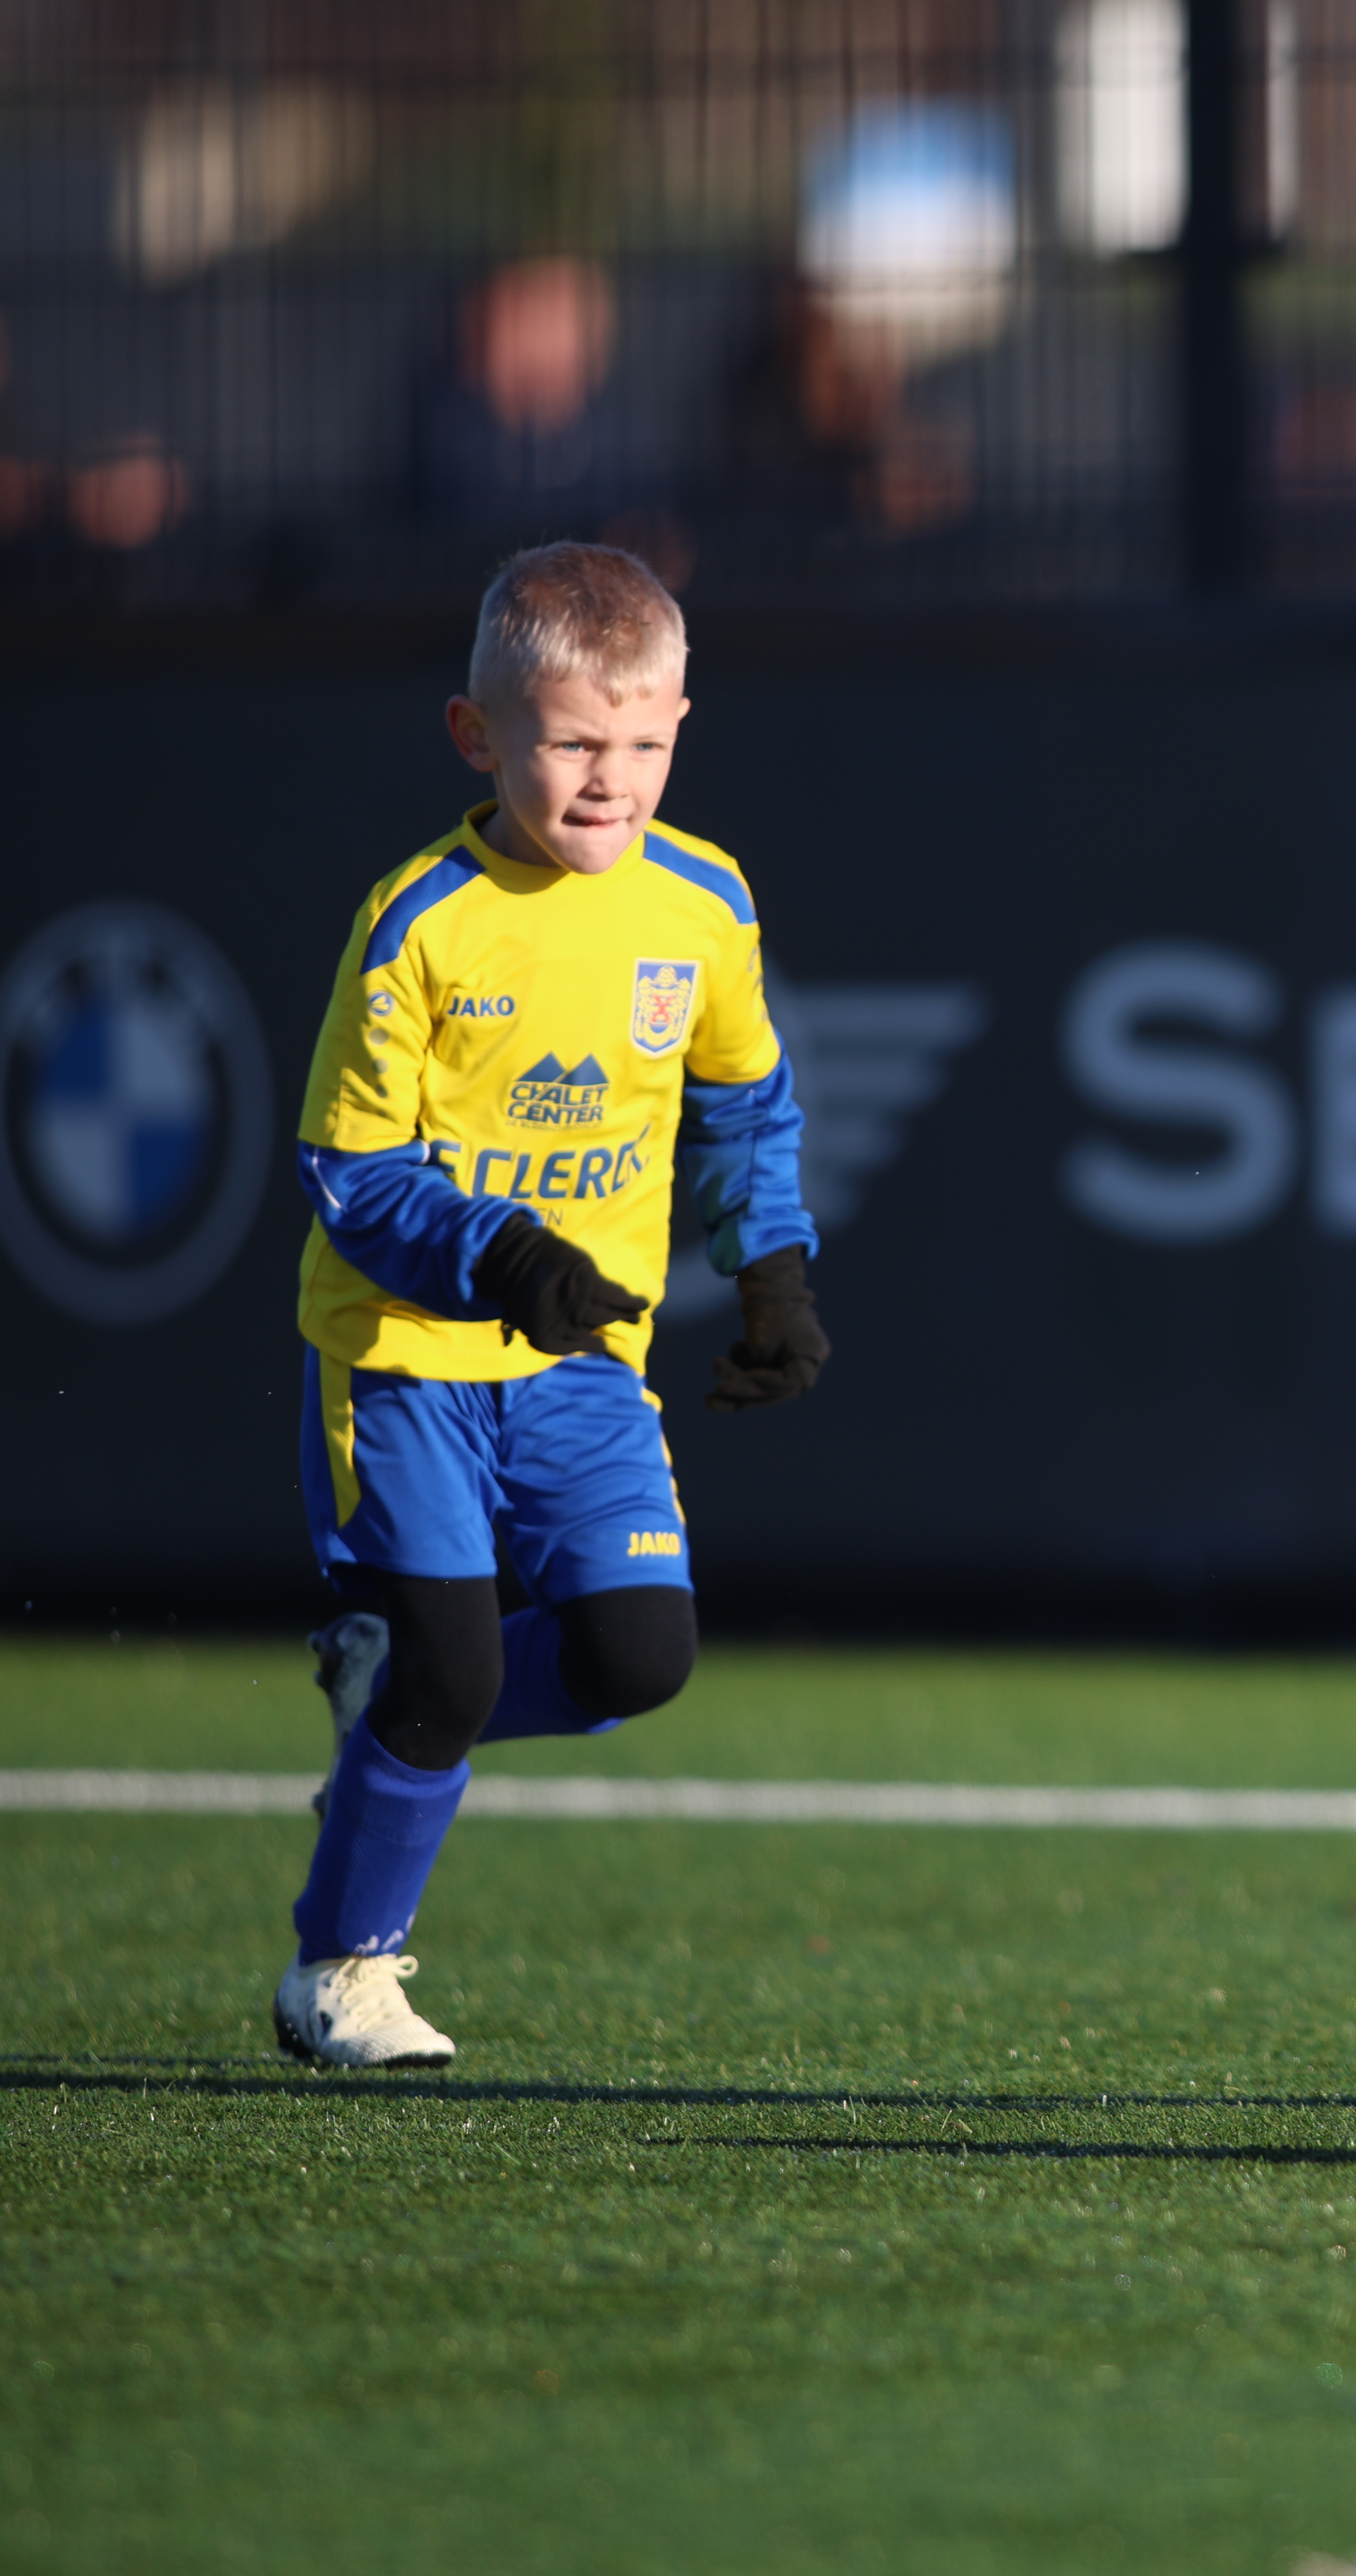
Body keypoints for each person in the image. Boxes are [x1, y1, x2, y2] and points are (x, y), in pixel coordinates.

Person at [274, 540, 829, 2070]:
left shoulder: (703, 901)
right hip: (404, 1362)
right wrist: (504, 1252)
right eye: (575, 741)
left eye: (644, 741)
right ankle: (344, 1970)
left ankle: (392, 1715)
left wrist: (773, 1268)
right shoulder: (423, 922)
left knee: (639, 1658)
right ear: (479, 734)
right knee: (456, 1667)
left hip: (585, 1366)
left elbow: (746, 1104)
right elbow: (347, 1164)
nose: (611, 780)